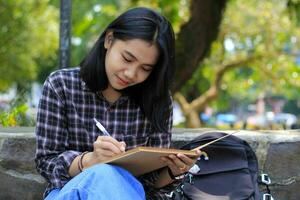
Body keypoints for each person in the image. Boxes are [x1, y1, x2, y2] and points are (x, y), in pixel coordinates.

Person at [35, 7, 201, 200]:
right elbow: (46, 162)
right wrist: (90, 161)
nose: (131, 73)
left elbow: (151, 184)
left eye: (145, 68)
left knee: (111, 177)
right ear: (109, 40)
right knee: (103, 174)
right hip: (68, 192)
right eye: (127, 58)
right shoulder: (61, 85)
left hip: (130, 194)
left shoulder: (158, 101)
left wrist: (173, 171)